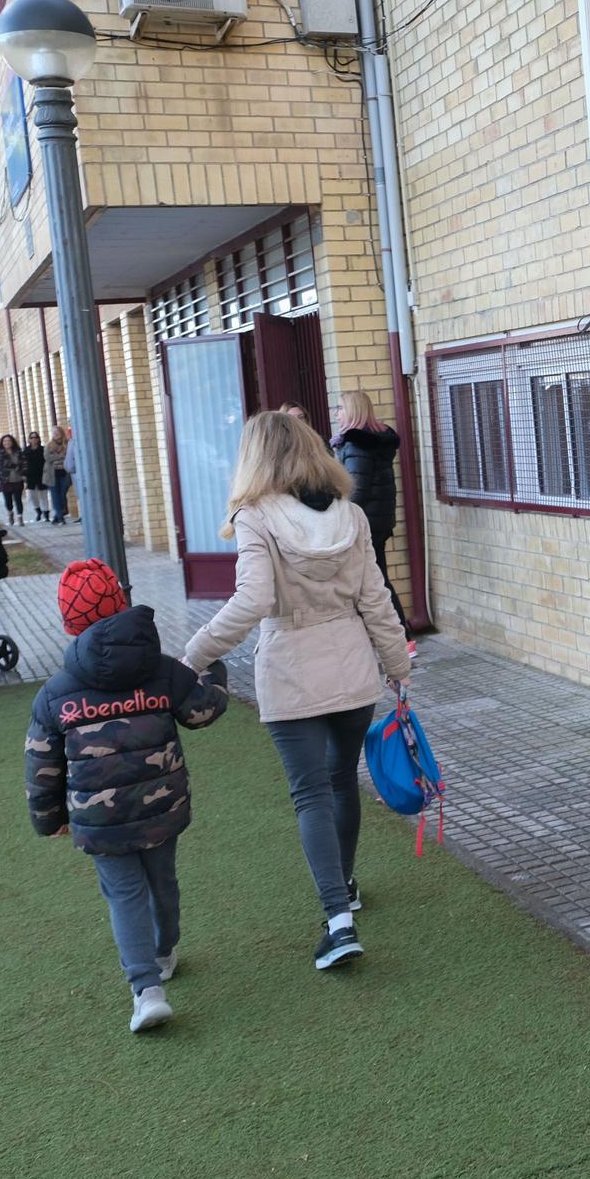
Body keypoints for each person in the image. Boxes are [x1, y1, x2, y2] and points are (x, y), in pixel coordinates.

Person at [183, 412, 411, 970]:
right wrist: (396, 663)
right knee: (340, 782)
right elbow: (376, 599)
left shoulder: (256, 517)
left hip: (291, 669)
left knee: (310, 792)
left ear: (256, 459)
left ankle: (338, 920)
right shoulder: (352, 516)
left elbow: (254, 599)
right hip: (353, 669)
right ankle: (347, 887)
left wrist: (195, 654)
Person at [27, 559, 229, 1032]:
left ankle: (146, 991)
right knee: (162, 880)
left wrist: (48, 817)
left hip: (101, 822)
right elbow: (202, 712)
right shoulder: (160, 671)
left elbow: (41, 763)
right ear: (119, 603)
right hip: (162, 805)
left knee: (124, 894)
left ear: (69, 623)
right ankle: (164, 952)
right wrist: (215, 675)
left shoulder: (56, 693)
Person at [330, 390, 413, 659]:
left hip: (364, 524)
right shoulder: (373, 441)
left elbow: (357, 489)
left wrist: (340, 520)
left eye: (340, 407)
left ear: (353, 410)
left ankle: (403, 638)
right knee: (376, 580)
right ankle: (397, 637)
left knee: (377, 582)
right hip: (377, 521)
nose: (337, 413)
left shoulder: (356, 445)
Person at [0, 434, 27, 526]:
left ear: (12, 442)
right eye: (5, 441)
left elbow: (23, 463)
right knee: (8, 501)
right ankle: (10, 513)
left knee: (18, 499)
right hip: (5, 480)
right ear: (2, 443)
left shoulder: (18, 451)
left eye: (9, 441)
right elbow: (1, 463)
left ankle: (20, 517)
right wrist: (15, 466)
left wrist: (23, 473)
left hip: (17, 479)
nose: (7, 443)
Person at [48, 427, 71, 524]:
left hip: (64, 473)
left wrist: (58, 456)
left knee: (62, 495)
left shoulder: (68, 443)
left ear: (61, 433)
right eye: (53, 433)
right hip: (52, 473)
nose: (55, 434)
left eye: (57, 432)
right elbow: (48, 458)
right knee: (55, 495)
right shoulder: (49, 445)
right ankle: (60, 517)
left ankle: (58, 515)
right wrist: (61, 456)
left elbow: (69, 456)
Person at [23, 431, 48, 520]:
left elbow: (46, 461)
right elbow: (23, 463)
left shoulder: (43, 449)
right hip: (30, 476)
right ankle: (38, 511)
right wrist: (24, 475)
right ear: (29, 439)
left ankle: (46, 513)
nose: (34, 439)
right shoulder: (26, 450)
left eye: (35, 437)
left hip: (42, 475)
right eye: (32, 437)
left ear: (38, 439)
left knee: (43, 495)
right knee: (32, 496)